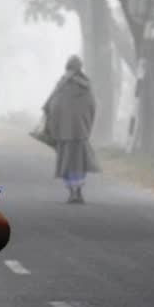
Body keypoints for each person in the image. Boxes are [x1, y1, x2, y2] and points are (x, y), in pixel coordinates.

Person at [43, 55, 100, 204]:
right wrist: (86, 126)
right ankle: (78, 191)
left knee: (67, 162)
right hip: (81, 132)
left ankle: (72, 192)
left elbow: (50, 107)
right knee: (79, 163)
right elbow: (92, 108)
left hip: (64, 133)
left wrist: (53, 127)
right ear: (80, 68)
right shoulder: (87, 86)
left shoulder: (61, 85)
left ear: (67, 67)